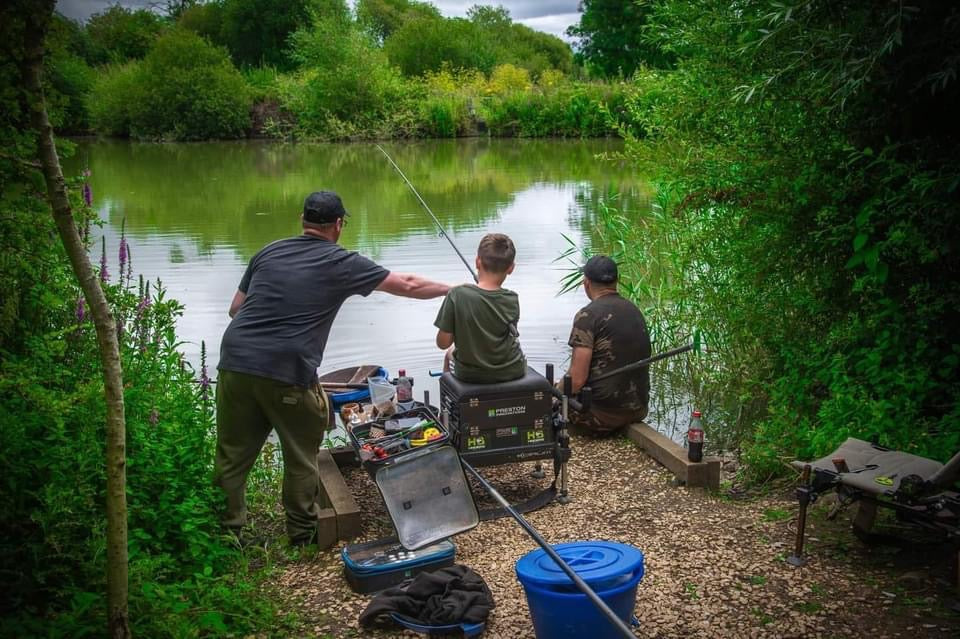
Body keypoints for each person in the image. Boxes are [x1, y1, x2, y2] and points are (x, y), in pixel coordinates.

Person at [215, 191, 450, 546]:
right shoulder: (340, 261)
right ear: (338, 225)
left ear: (302, 220)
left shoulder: (269, 251)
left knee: (232, 457)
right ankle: (302, 535)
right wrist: (458, 289)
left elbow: (236, 309)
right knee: (300, 453)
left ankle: (225, 538)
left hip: (234, 361)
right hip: (287, 368)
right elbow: (407, 284)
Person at [563, 255, 651, 434]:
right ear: (617, 281)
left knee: (549, 398)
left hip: (600, 416)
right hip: (638, 409)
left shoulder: (588, 316)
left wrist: (554, 391)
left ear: (586, 282)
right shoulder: (634, 310)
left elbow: (577, 380)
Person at [434, 233, 526, 384]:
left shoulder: (457, 294)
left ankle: (448, 402)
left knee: (448, 353)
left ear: (478, 262)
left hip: (470, 375)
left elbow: (443, 343)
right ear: (511, 268)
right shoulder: (512, 299)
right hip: (513, 370)